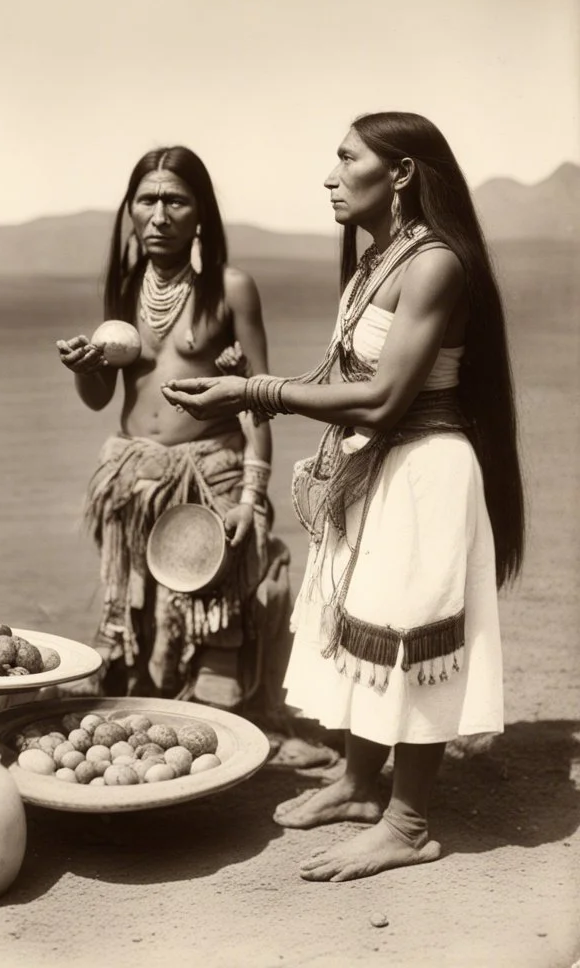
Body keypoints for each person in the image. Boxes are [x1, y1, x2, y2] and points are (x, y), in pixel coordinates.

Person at [163, 112, 525, 881]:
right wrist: (241, 380)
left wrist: (255, 388)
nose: (330, 175)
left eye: (346, 158)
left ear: (398, 175)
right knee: (364, 626)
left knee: (409, 639)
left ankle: (410, 820)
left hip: (423, 470)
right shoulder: (377, 259)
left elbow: (388, 397)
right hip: (376, 470)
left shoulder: (435, 264)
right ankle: (362, 785)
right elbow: (346, 376)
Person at [56, 145, 296, 730]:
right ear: (130, 211)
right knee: (134, 626)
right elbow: (103, 398)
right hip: (136, 481)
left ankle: (215, 740)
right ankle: (146, 732)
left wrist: (250, 497)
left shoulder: (232, 288)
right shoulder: (124, 287)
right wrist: (88, 369)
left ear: (200, 214)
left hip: (208, 481)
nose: (159, 214)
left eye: (175, 200)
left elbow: (257, 400)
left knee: (213, 624)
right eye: (146, 200)